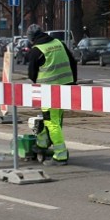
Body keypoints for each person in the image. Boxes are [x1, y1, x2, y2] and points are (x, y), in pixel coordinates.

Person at [25, 23, 77, 166]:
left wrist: (38, 84)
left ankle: (60, 155)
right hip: (65, 87)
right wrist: (73, 82)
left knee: (51, 122)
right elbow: (73, 62)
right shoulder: (58, 43)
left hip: (49, 91)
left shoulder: (36, 50)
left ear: (32, 38)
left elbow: (31, 74)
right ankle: (42, 144)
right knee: (56, 119)